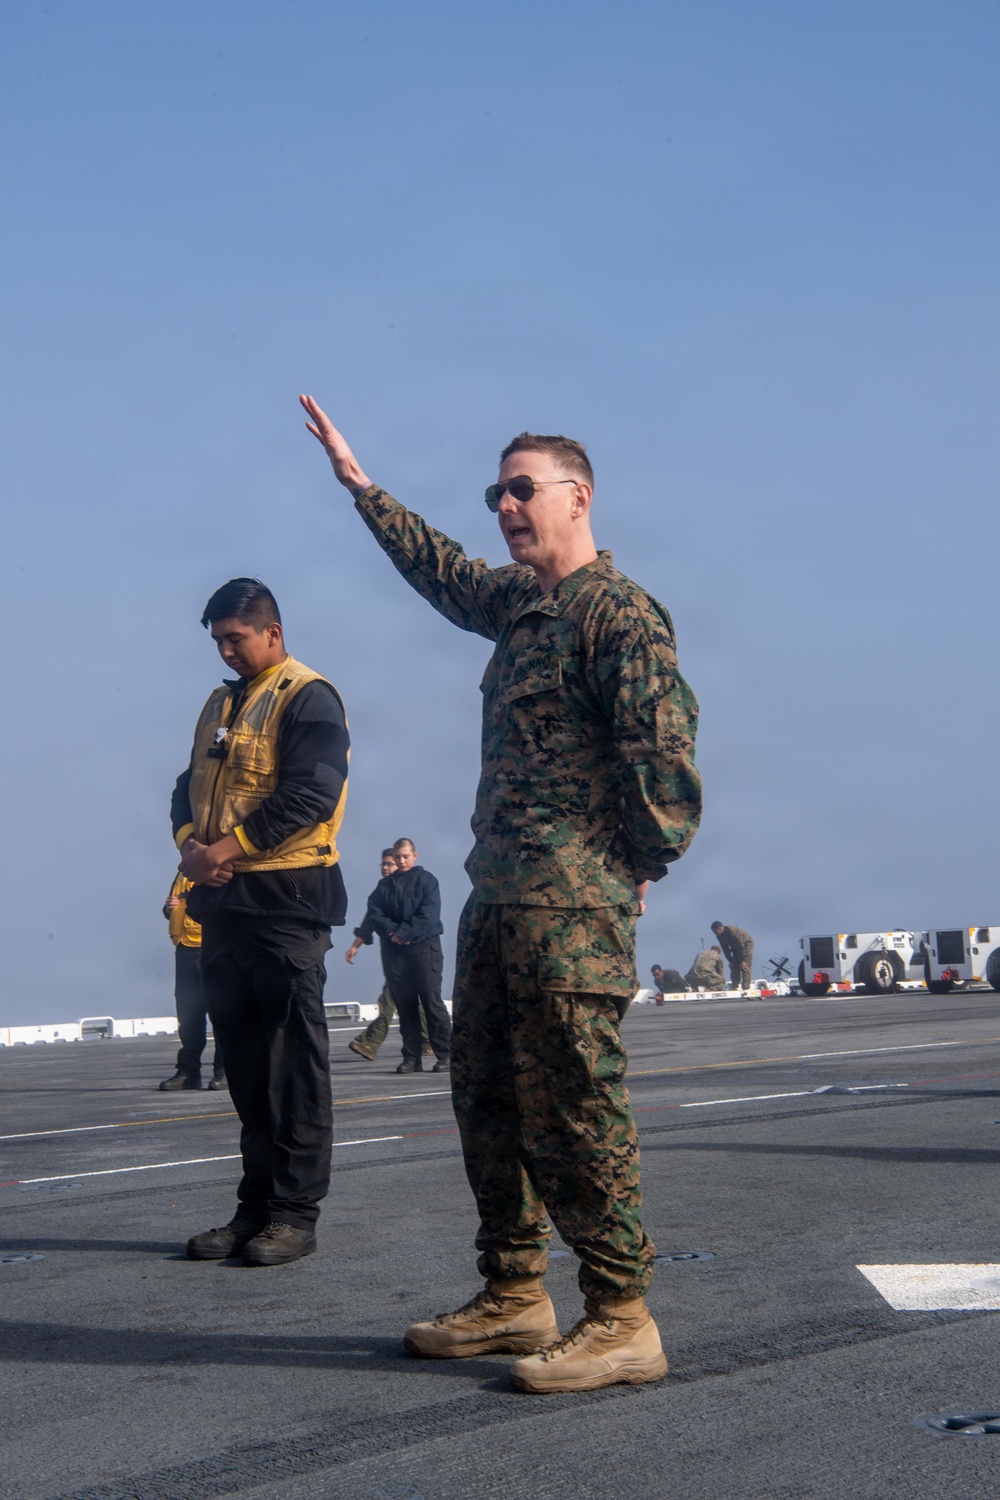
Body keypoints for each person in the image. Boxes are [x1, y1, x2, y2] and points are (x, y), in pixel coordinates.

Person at [301, 395, 701, 1394]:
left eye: (521, 489)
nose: (505, 507)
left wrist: (633, 868)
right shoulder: (520, 608)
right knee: (486, 1101)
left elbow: (665, 765)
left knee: (577, 1110)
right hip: (497, 902)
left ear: (578, 497)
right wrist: (362, 488)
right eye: (496, 495)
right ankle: (515, 1292)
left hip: (570, 910)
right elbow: (440, 570)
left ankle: (622, 1317)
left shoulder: (618, 615)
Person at [172, 577, 350, 1267]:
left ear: (272, 632)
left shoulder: (309, 696)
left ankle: (294, 1215)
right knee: (244, 1067)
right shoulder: (219, 704)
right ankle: (253, 1208)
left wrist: (224, 851)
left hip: (286, 905)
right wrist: (192, 847)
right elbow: (185, 787)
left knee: (292, 1064)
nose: (226, 650)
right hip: (225, 910)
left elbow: (313, 794)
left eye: (236, 638)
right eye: (218, 640)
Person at [364, 838, 452, 1074]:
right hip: (395, 951)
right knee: (405, 1005)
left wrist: (403, 932)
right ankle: (412, 1058)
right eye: (397, 857)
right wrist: (393, 933)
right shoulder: (384, 886)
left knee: (432, 1002)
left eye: (405, 856)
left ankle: (446, 1055)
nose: (401, 861)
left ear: (415, 855)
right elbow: (374, 911)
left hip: (424, 948)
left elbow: (429, 913)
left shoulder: (427, 880)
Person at [346, 849, 434, 1062]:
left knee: (391, 996)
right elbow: (370, 920)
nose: (386, 868)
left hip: (415, 951)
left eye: (389, 864)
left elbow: (425, 917)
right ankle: (427, 1041)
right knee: (410, 998)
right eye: (383, 864)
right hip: (393, 955)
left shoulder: (415, 887)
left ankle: (370, 1041)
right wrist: (355, 946)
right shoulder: (382, 891)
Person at [158, 873, 226, 1091]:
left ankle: (225, 1071)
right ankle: (188, 1072)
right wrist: (169, 908)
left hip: (216, 947)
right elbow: (173, 906)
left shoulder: (222, 868)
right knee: (188, 1015)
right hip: (186, 949)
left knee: (222, 1013)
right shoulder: (183, 872)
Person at [711, 922, 754, 991]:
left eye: (715, 932)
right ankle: (734, 986)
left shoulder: (733, 932)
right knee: (734, 966)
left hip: (746, 944)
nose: (714, 934)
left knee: (745, 965)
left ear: (720, 929)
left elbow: (740, 947)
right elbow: (725, 949)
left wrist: (742, 961)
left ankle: (745, 987)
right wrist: (731, 961)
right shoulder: (719, 936)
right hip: (735, 947)